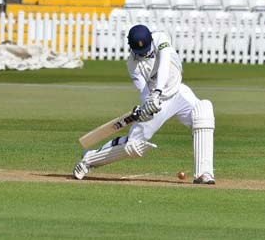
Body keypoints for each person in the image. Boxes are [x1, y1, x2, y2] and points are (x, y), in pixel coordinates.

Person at [73, 24, 215, 185]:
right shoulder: (132, 64)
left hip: (177, 92)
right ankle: (89, 160)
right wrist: (148, 103)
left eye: (146, 49)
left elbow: (164, 65)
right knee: (134, 147)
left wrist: (157, 91)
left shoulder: (161, 38)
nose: (144, 54)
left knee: (203, 112)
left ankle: (204, 174)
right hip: (158, 103)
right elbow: (143, 89)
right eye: (140, 52)